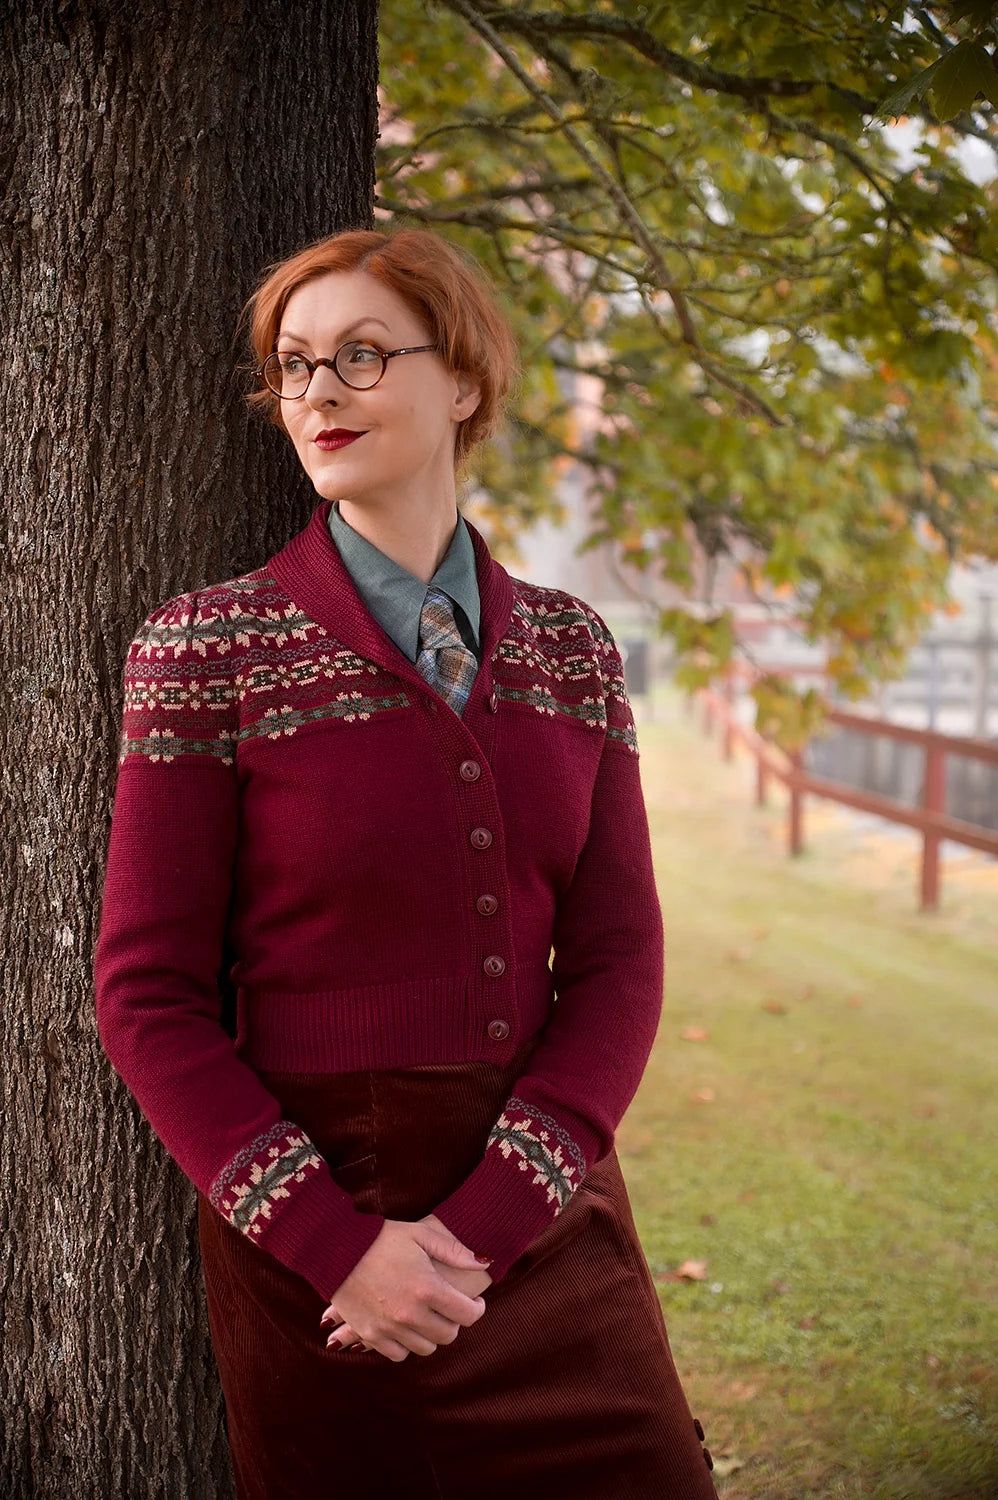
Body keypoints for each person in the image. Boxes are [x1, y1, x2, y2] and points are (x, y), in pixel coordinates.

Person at [93, 224, 718, 1499]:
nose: (315, 394)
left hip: (545, 1212)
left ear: (467, 381)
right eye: (293, 366)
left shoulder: (570, 649)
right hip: (321, 1252)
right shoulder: (208, 646)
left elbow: (617, 959)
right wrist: (339, 1249)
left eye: (362, 357)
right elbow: (145, 992)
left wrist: (487, 1224)